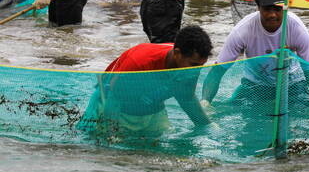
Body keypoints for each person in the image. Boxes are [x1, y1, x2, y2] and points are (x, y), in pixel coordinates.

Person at [201, 0, 309, 107]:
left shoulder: (297, 30)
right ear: (258, 6)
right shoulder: (243, 30)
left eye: (278, 8)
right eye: (267, 8)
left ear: (286, 7)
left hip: (292, 85)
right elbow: (217, 71)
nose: (272, 15)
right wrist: (205, 102)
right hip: (254, 85)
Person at [79, 25, 213, 138]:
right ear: (177, 53)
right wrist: (111, 135)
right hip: (112, 102)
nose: (197, 71)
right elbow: (113, 99)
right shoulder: (138, 63)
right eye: (194, 65)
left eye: (201, 65)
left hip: (150, 107)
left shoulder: (190, 67)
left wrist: (208, 127)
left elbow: (187, 98)